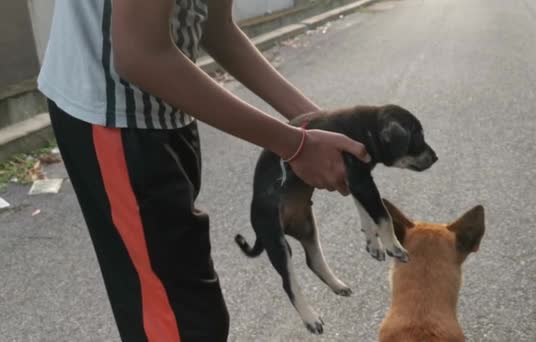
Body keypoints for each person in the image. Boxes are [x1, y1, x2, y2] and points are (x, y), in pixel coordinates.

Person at [37, 0, 371, 341]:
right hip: (114, 113)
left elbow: (217, 28)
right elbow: (139, 55)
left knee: (189, 305)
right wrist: (297, 145)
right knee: (183, 321)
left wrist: (319, 126)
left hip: (169, 106)